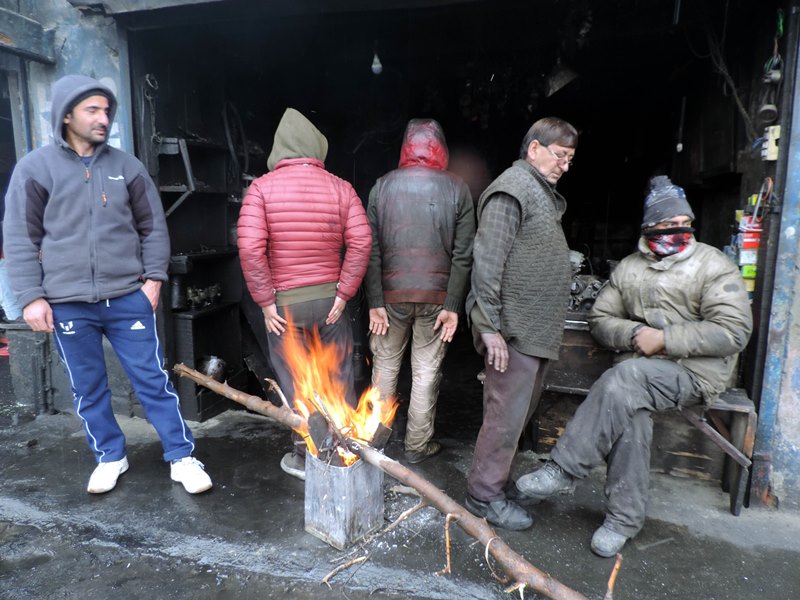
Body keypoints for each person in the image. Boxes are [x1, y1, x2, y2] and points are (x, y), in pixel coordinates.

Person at [516, 175, 753, 556]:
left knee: (625, 377)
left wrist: (665, 339)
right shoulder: (629, 268)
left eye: (682, 225)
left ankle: (564, 470)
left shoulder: (713, 266)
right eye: (665, 226)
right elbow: (600, 319)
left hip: (694, 374)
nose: (675, 231)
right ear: (648, 228)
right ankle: (623, 521)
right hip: (636, 376)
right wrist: (633, 335)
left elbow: (733, 331)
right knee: (631, 412)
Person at [3, 75, 212, 495]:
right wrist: (30, 297)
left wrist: (154, 279)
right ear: (66, 115)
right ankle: (110, 456)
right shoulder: (35, 169)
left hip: (126, 297)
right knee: (88, 386)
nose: (104, 119)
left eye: (106, 111)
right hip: (66, 303)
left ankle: (181, 455)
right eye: (92, 110)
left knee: (151, 379)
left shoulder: (126, 167)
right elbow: (20, 237)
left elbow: (152, 228)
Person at [237, 107, 371, 481]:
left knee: (296, 379)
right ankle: (344, 450)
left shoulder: (260, 188)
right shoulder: (341, 187)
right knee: (340, 376)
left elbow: (250, 248)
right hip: (331, 303)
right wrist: (344, 293)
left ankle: (306, 455)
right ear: (316, 147)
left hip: (284, 307)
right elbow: (361, 242)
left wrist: (265, 302)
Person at [464, 117, 578, 530]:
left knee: (517, 419)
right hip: (512, 333)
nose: (565, 165)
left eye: (570, 159)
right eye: (560, 156)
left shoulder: (539, 193)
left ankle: (496, 482)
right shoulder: (511, 190)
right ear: (534, 149)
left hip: (531, 332)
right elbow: (487, 265)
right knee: (503, 419)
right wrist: (489, 327)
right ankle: (483, 497)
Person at [365, 118, 475, 464]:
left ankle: (373, 440)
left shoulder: (382, 186)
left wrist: (375, 301)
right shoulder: (457, 188)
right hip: (437, 300)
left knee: (384, 368)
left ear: (405, 147)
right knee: (426, 371)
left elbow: (371, 249)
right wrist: (454, 304)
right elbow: (463, 252)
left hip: (390, 299)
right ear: (440, 148)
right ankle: (417, 445)